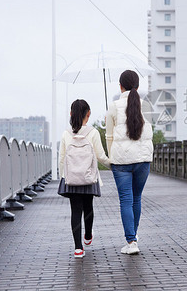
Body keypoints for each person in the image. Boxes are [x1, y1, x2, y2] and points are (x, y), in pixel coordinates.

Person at [105, 70, 153, 255]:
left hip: (121, 161)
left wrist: (111, 157)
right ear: (137, 86)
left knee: (126, 199)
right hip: (143, 159)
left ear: (120, 86)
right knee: (136, 198)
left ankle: (131, 241)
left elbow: (109, 136)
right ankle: (134, 236)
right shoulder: (146, 106)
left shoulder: (114, 106)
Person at [58, 99, 110, 259]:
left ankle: (78, 249)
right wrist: (114, 165)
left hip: (72, 178)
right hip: (89, 177)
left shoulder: (66, 134)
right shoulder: (93, 133)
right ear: (88, 114)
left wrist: (63, 177)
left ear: (71, 114)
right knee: (88, 207)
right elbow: (101, 156)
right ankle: (88, 236)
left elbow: (61, 158)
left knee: (75, 210)